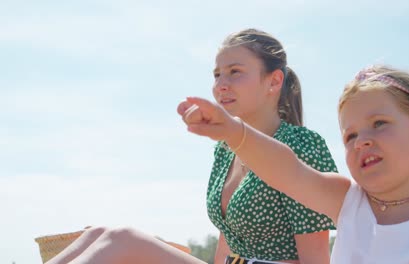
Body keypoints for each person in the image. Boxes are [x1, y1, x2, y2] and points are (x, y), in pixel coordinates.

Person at [46, 28, 337, 264]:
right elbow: (227, 243)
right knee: (101, 234)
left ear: (273, 81)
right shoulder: (225, 149)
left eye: (235, 71)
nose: (221, 84)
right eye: (217, 74)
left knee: (123, 239)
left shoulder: (301, 144)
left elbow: (316, 256)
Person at [179, 65, 409, 264]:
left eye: (379, 123)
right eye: (350, 135)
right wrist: (234, 131)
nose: (361, 141)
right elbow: (287, 170)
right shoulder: (348, 200)